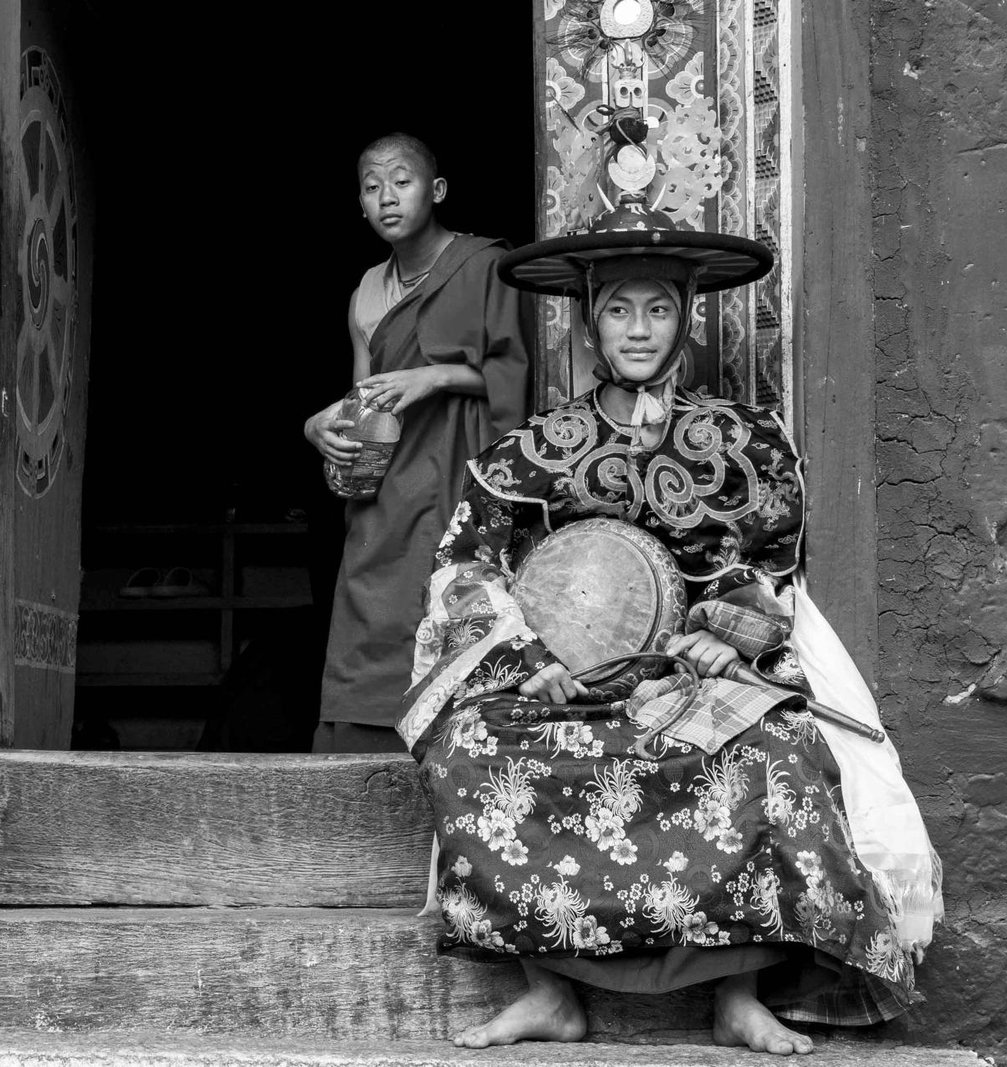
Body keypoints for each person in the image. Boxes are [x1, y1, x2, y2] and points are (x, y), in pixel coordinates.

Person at [400, 201, 943, 1053]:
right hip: (565, 691)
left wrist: (730, 632)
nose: (639, 328)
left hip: (693, 682)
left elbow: (776, 564)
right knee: (466, 748)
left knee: (780, 753)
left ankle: (737, 994)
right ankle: (550, 990)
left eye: (657, 308)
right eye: (619, 309)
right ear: (589, 321)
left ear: (686, 316)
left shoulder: (745, 442)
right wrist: (527, 656)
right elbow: (464, 567)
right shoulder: (532, 449)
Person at [305, 132, 530, 754]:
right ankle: (363, 745)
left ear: (436, 191)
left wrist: (433, 376)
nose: (387, 198)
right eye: (372, 187)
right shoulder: (366, 291)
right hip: (391, 478)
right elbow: (364, 399)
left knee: (456, 597)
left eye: (401, 182)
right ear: (359, 203)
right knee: (372, 599)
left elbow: (515, 377)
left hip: (464, 464)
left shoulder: (484, 266)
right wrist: (316, 427)